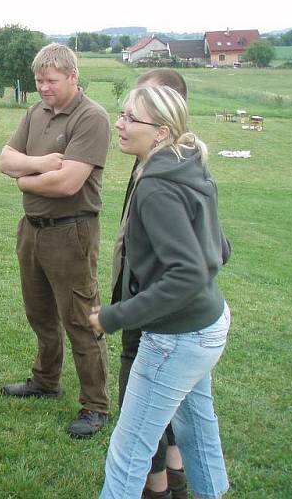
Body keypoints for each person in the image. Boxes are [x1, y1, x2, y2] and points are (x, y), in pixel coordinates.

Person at [90, 86, 231, 499]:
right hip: (208, 324)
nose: (119, 123)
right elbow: (220, 249)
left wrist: (114, 315)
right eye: (121, 114)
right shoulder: (190, 164)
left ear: (162, 132)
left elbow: (187, 274)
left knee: (128, 448)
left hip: (178, 338)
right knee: (197, 428)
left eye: (132, 118)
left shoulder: (155, 184)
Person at [0, 43, 111, 439]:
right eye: (38, 80)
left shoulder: (91, 117)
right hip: (32, 229)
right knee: (39, 312)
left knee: (81, 318)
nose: (43, 88)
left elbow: (68, 183)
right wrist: (41, 164)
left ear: (73, 77)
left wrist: (25, 179)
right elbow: (5, 159)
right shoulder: (36, 112)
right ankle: (45, 380)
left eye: (51, 80)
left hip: (72, 230)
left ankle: (95, 404)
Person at [111, 69, 191, 499]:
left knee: (141, 400)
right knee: (171, 397)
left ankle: (156, 484)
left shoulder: (162, 179)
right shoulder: (167, 163)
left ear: (163, 121)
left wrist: (124, 308)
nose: (120, 123)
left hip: (151, 309)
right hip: (144, 297)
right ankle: (176, 476)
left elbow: (195, 262)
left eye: (131, 113)